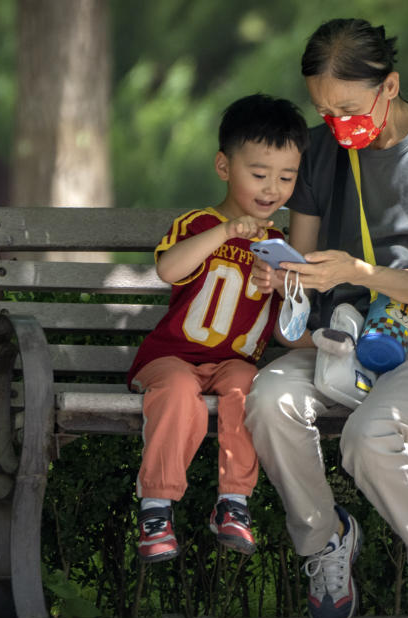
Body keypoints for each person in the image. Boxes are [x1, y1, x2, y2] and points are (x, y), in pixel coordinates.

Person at [247, 18, 408, 618]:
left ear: (391, 85)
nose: (335, 124)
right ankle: (325, 542)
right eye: (324, 111)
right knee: (269, 397)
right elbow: (300, 263)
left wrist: (362, 272)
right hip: (338, 343)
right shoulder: (320, 149)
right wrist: (286, 284)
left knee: (368, 436)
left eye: (348, 109)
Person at [128, 93, 310, 563]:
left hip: (233, 364)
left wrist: (280, 285)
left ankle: (234, 503)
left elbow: (291, 325)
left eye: (286, 177)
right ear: (224, 166)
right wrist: (227, 233)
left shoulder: (278, 245)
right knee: (176, 389)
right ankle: (156, 506)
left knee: (249, 390)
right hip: (173, 357)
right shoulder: (200, 225)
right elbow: (170, 269)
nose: (273, 188)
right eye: (259, 174)